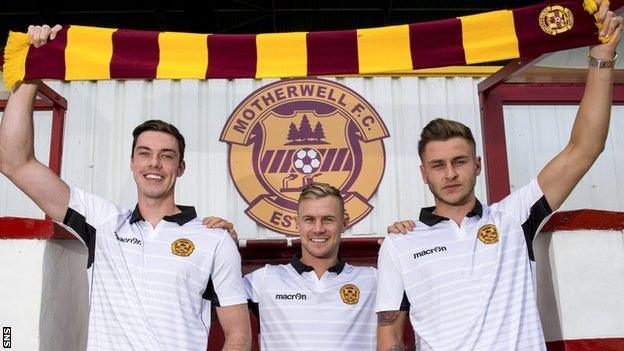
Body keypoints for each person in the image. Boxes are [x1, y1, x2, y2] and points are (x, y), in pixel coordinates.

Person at [376, 3, 623, 350]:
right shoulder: (399, 243)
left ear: (476, 164)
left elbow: (584, 148)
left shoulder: (513, 217)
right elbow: (389, 339)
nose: (450, 174)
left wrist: (601, 57)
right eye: (438, 165)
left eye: (459, 161)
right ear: (423, 174)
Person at [0, 25, 251, 351]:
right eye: (144, 154)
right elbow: (14, 162)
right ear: (132, 164)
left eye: (166, 156)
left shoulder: (215, 239)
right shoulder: (101, 220)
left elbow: (239, 336)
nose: (154, 164)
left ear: (181, 168)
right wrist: (30, 75)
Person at [243, 182, 381, 350]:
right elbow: (210, 297)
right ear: (297, 223)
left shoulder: (374, 280)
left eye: (328, 219)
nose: (318, 229)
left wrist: (402, 238)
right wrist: (223, 239)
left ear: (344, 222)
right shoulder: (263, 280)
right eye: (309, 220)